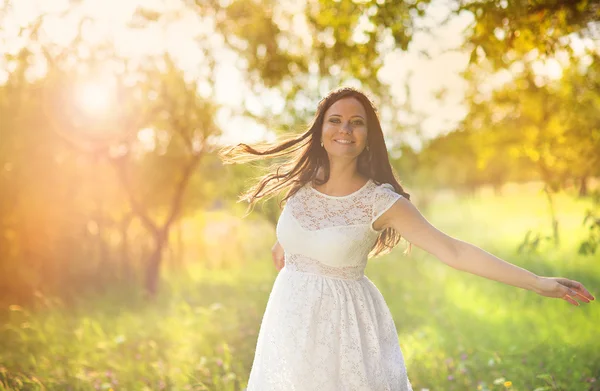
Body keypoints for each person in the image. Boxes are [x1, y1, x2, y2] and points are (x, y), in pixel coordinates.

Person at [219, 87, 595, 391]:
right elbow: (298, 231)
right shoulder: (302, 185)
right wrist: (283, 244)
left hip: (344, 326)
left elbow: (454, 250)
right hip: (289, 321)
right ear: (320, 132)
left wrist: (537, 282)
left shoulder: (381, 201)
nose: (345, 129)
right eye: (335, 120)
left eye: (356, 123)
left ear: (369, 137)